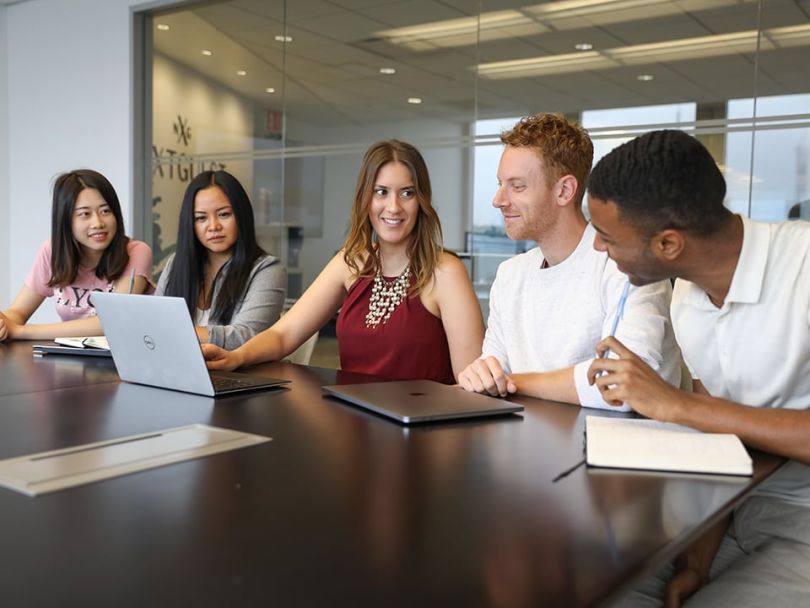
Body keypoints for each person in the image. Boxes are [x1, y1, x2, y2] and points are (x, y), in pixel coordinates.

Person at [586, 129, 810, 607]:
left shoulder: (804, 266)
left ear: (668, 243)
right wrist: (696, 563)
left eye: (607, 237)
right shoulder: (687, 295)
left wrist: (675, 404)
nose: (598, 249)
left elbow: (700, 414)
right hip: (728, 513)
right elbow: (720, 448)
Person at [203, 139, 484, 383]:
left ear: (421, 200)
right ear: (365, 198)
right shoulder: (351, 261)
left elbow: (470, 385)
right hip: (355, 422)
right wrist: (236, 357)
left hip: (422, 431)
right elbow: (284, 335)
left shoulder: (446, 272)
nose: (394, 206)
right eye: (381, 191)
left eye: (407, 193)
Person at [458, 113, 680, 407]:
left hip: (621, 445)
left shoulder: (627, 265)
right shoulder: (511, 274)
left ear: (564, 191)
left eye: (517, 186)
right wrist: (480, 375)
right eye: (501, 184)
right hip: (529, 439)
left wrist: (515, 382)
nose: (498, 200)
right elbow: (493, 371)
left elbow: (623, 387)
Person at [0, 169, 152, 341]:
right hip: (72, 358)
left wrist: (22, 331)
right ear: (66, 220)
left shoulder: (136, 252)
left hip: (123, 360)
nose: (98, 223)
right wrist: (5, 324)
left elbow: (111, 322)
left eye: (105, 211)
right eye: (85, 214)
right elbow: (18, 311)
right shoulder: (52, 252)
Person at [156, 170, 286, 349]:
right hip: (176, 367)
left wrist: (177, 331)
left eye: (224, 214)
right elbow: (155, 320)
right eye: (201, 218)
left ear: (241, 215)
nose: (213, 227)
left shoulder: (267, 269)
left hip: (241, 374)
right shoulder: (176, 264)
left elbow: (248, 335)